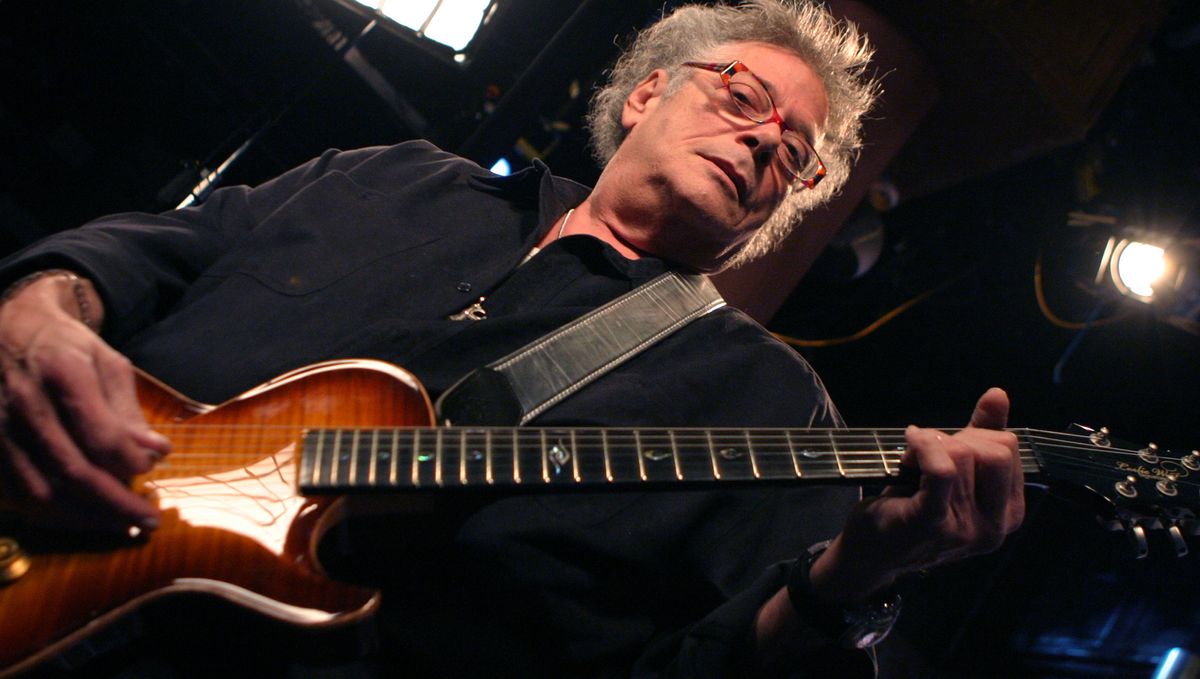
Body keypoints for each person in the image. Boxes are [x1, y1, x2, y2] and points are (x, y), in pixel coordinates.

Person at [0, 0, 1024, 675]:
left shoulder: (770, 407)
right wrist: (39, 310)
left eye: (794, 156)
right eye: (745, 98)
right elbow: (153, 251)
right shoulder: (395, 177)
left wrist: (852, 579)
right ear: (647, 94)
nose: (763, 141)